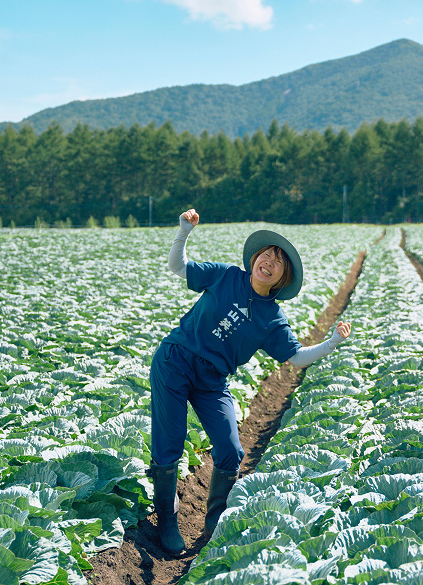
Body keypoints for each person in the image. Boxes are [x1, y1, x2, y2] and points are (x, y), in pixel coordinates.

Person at [147, 208, 353, 555]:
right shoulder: (227, 276)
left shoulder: (272, 319)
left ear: (282, 278)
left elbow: (296, 357)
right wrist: (184, 231)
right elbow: (178, 267)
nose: (269, 261)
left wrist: (333, 341)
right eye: (266, 254)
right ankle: (167, 518)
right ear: (255, 259)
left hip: (213, 380)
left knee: (231, 450)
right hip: (175, 361)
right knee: (170, 442)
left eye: (278, 262)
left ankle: (214, 521)